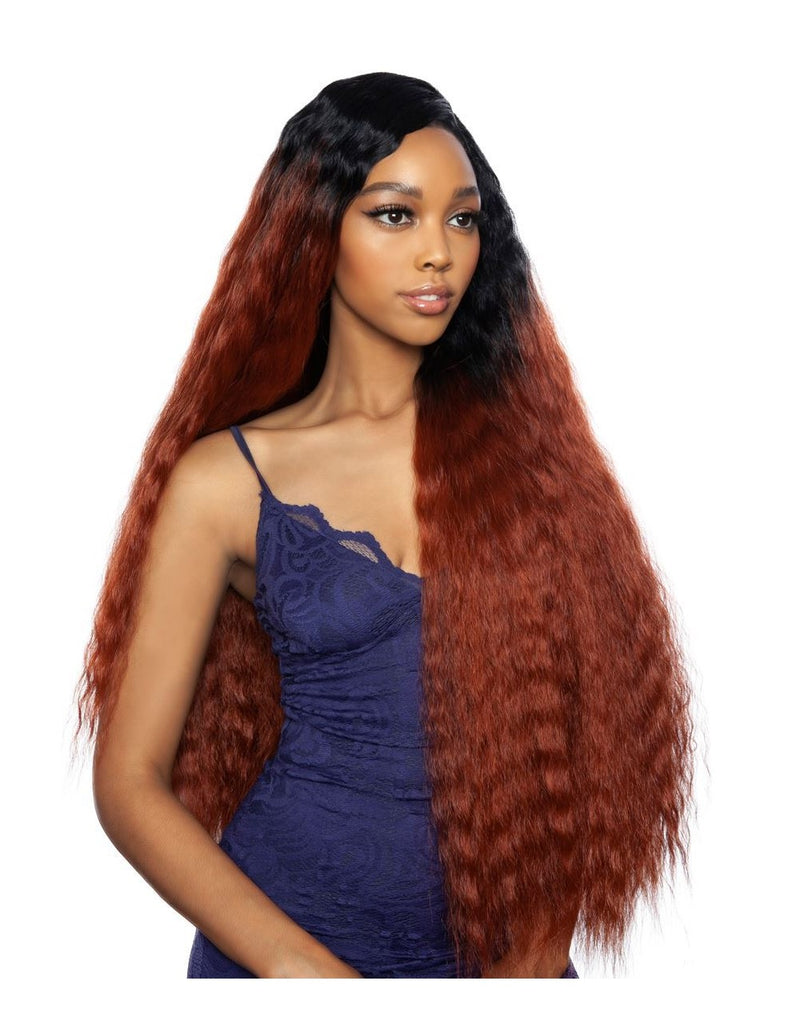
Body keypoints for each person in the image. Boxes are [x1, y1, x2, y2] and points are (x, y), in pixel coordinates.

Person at [71, 72, 696, 979]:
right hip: (281, 963)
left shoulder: (534, 465)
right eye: (396, 215)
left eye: (463, 219)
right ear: (316, 227)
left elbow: (589, 749)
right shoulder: (225, 481)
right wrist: (301, 975)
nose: (438, 252)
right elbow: (130, 782)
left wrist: (528, 971)